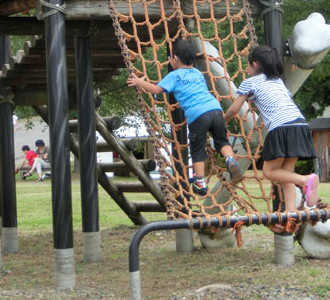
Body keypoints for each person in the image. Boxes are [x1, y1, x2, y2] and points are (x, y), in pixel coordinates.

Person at [127, 39, 242, 196]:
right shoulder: (197, 73)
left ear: (175, 59)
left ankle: (200, 183)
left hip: (198, 116)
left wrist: (139, 81)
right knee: (222, 141)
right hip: (215, 110)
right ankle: (230, 159)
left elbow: (155, 89)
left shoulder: (174, 76)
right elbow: (195, 92)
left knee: (197, 150)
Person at [224, 45, 319, 211]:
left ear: (255, 64)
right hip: (299, 124)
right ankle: (291, 214)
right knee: (285, 173)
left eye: (247, 65)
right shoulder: (278, 82)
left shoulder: (250, 82)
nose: (246, 69)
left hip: (281, 127)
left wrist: (223, 120)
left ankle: (305, 180)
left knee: (269, 172)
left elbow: (234, 109)